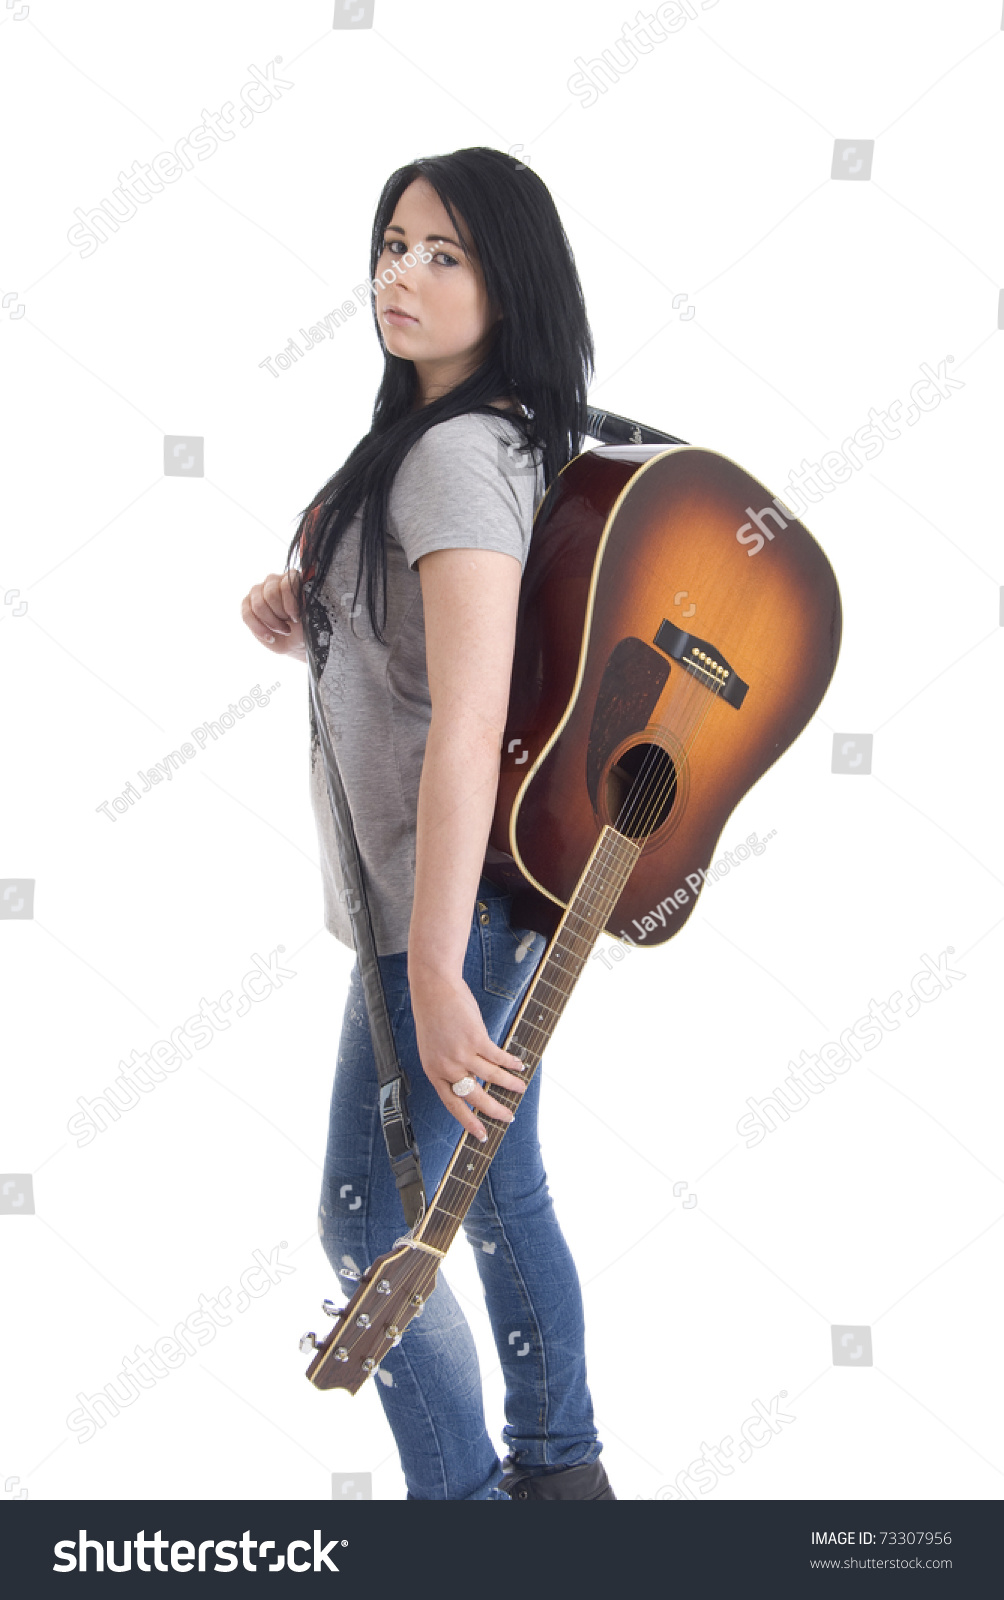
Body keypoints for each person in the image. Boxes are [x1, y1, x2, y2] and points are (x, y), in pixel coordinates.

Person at [240, 147, 615, 1502]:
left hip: (448, 908)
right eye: (396, 242)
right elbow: (434, 674)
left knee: (370, 1217)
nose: (404, 273)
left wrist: (444, 971)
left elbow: (469, 724)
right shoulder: (463, 433)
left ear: (505, 285)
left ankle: (470, 1512)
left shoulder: (456, 457)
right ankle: (562, 1485)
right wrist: (315, 628)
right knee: (493, 1198)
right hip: (445, 897)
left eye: (445, 254)